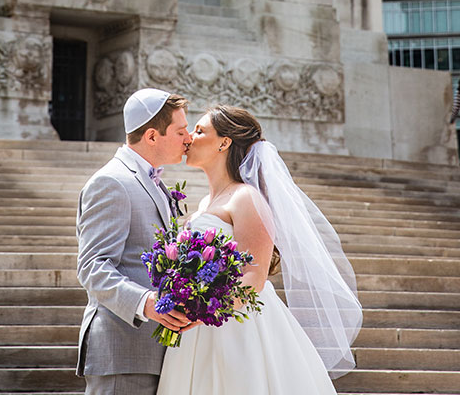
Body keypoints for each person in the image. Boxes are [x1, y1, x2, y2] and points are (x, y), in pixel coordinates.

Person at [157, 105, 362, 394]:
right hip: (198, 331)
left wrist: (205, 310)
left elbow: (254, 275)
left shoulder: (246, 198)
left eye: (200, 131)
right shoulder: (203, 204)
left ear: (224, 142)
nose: (189, 137)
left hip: (238, 327)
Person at [76, 89, 194, 395]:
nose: (188, 138)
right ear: (153, 136)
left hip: (154, 352)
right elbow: (92, 267)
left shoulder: (153, 180)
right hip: (123, 352)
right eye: (181, 131)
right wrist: (147, 303)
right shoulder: (112, 182)